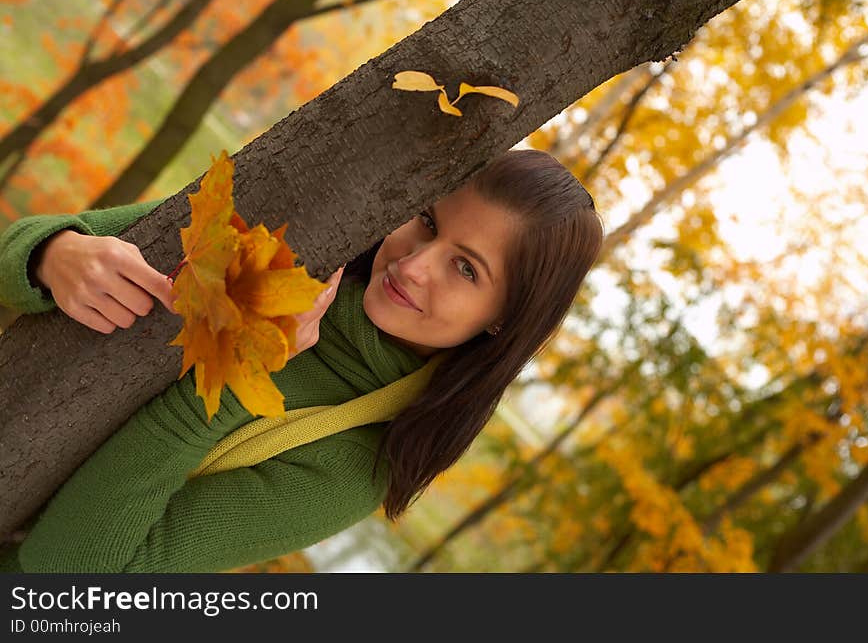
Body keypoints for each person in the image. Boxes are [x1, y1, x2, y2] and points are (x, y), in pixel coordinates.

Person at [0, 149, 603, 572]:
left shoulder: (359, 459)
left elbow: (64, 581)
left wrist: (236, 380)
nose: (414, 265)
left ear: (504, 319)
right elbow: (20, 247)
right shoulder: (300, 243)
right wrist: (51, 253)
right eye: (426, 222)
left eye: (465, 268)